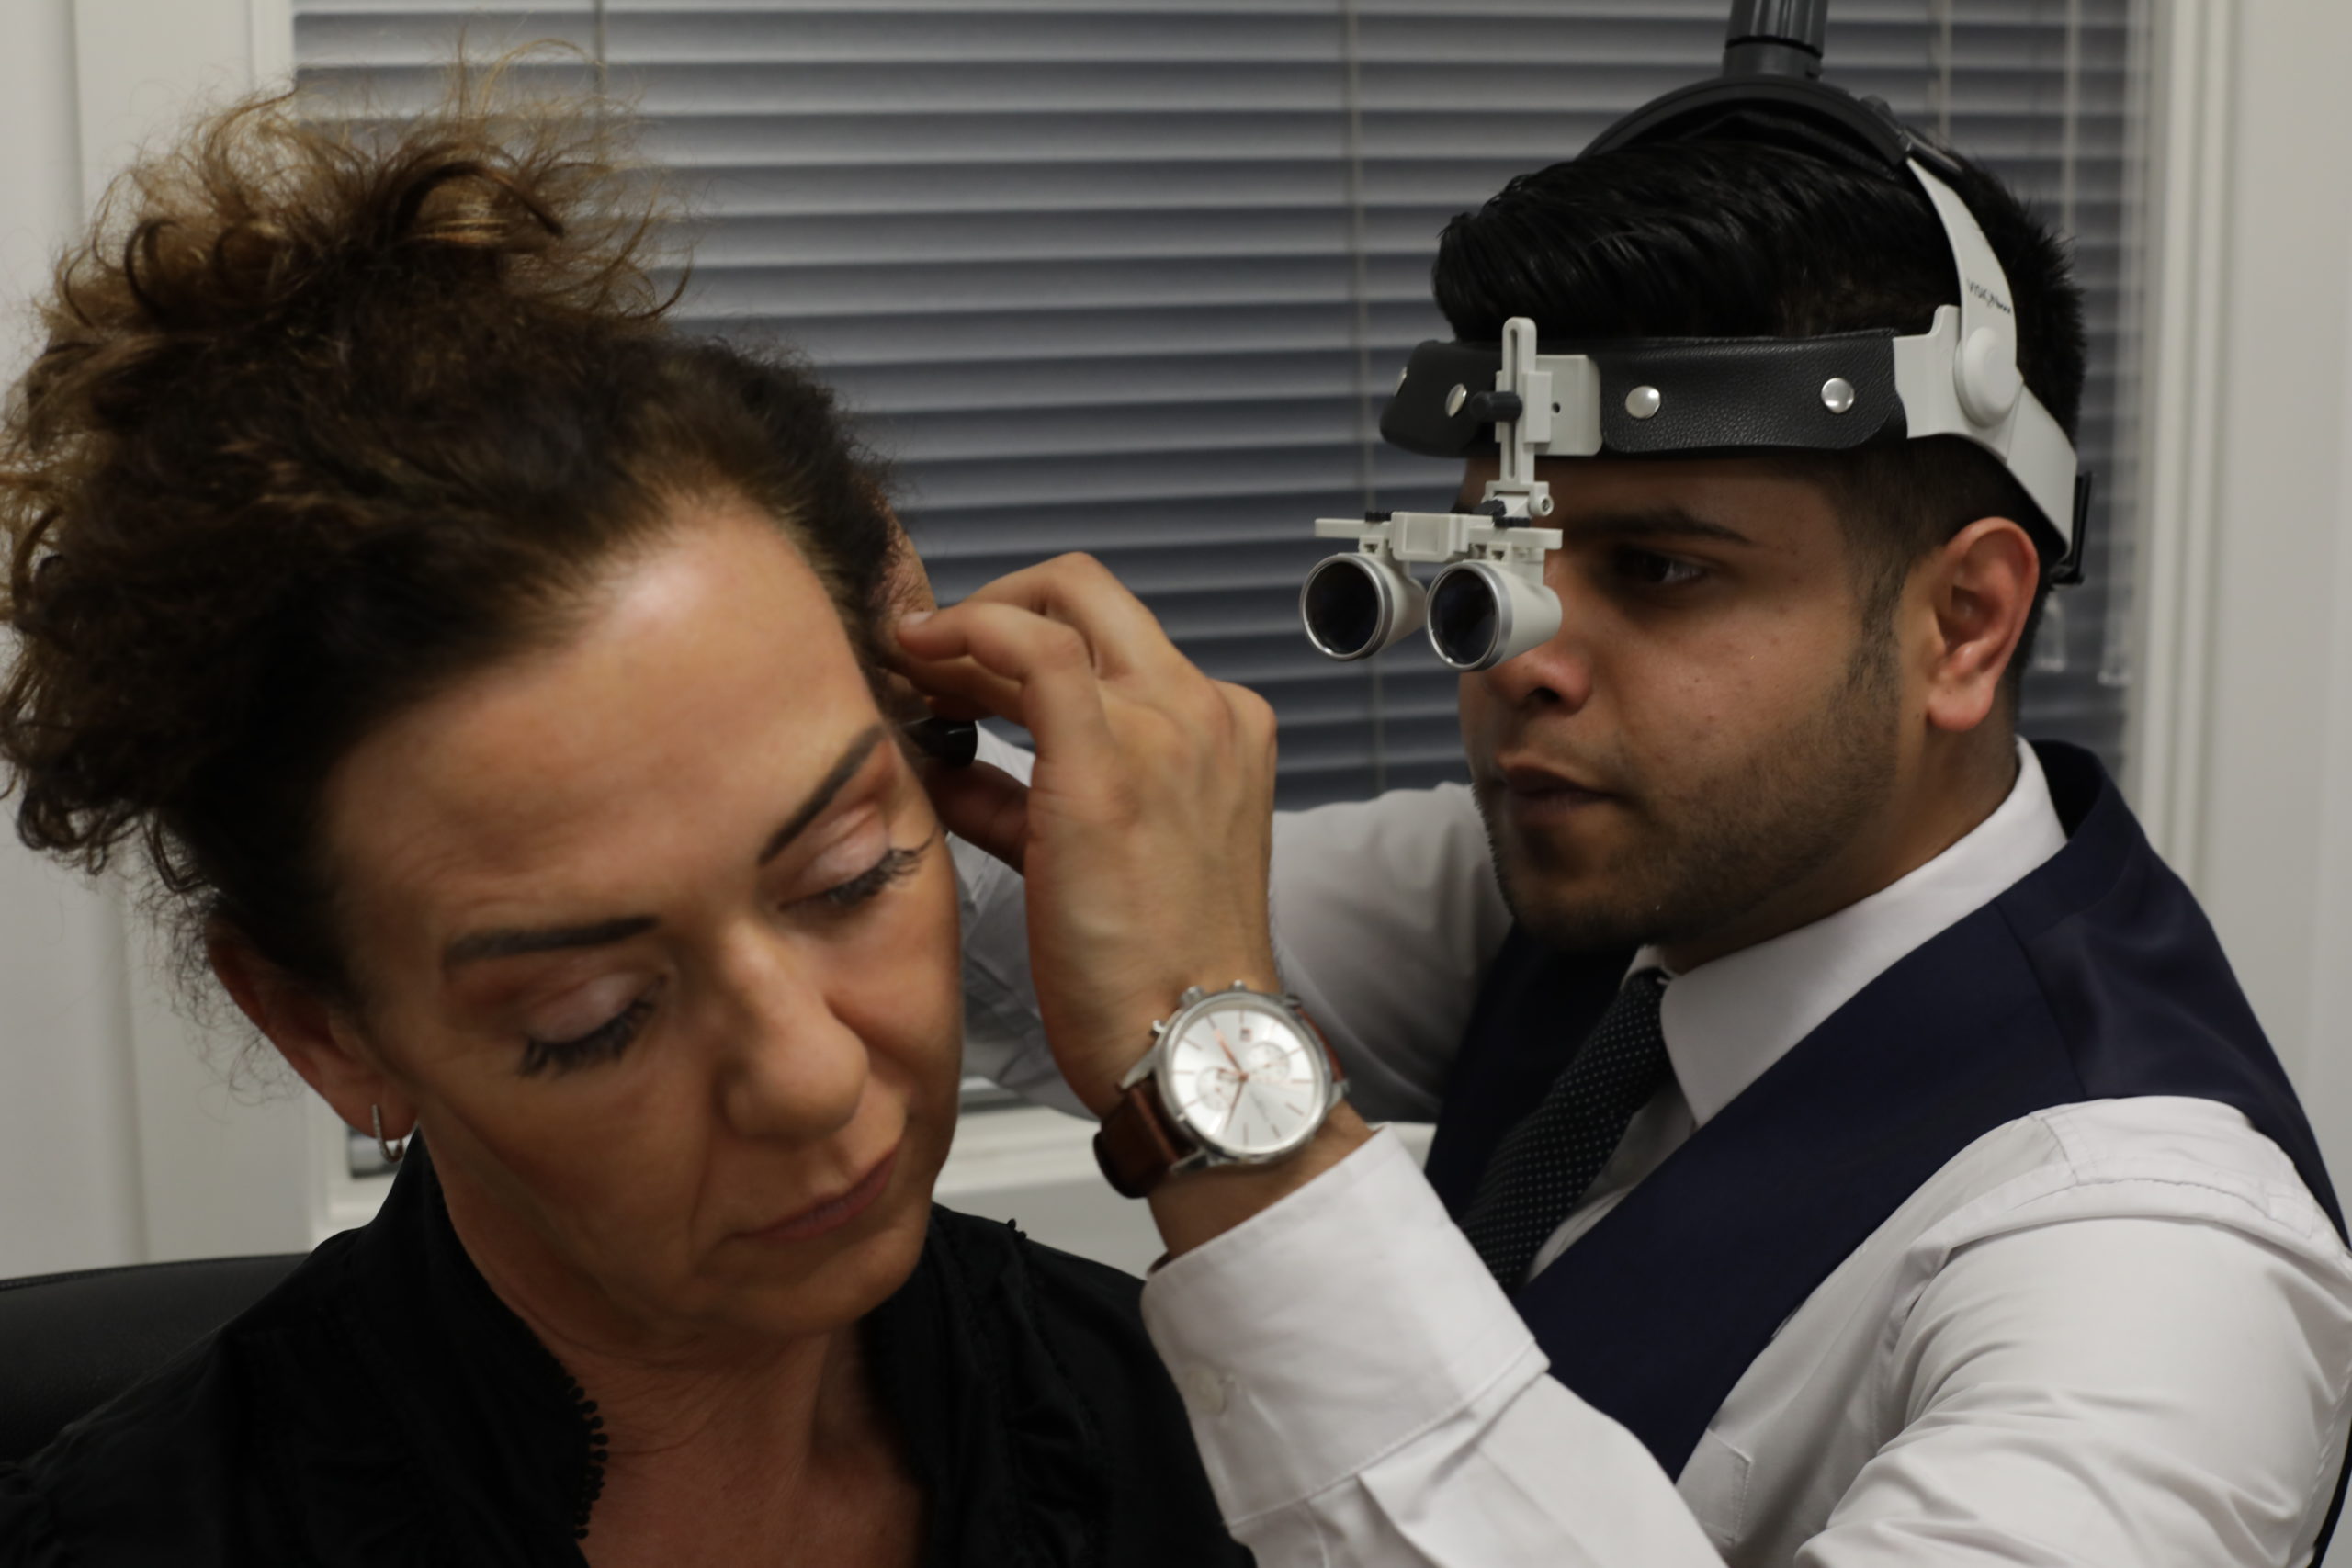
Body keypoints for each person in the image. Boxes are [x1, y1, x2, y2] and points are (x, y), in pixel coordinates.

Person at [897, 64, 2352, 1568]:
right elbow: (1006, 926)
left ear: (1965, 622)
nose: (1523, 661)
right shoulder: (1610, 886)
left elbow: (1166, 1002)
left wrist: (1220, 1089)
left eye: (1659, 569)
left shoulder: (2153, 1266)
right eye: (1495, 568)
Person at [0, 81, 1250, 1568]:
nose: (806, 1075)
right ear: (326, 1029)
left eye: (850, 877)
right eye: (592, 1014)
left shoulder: (1176, 1432)